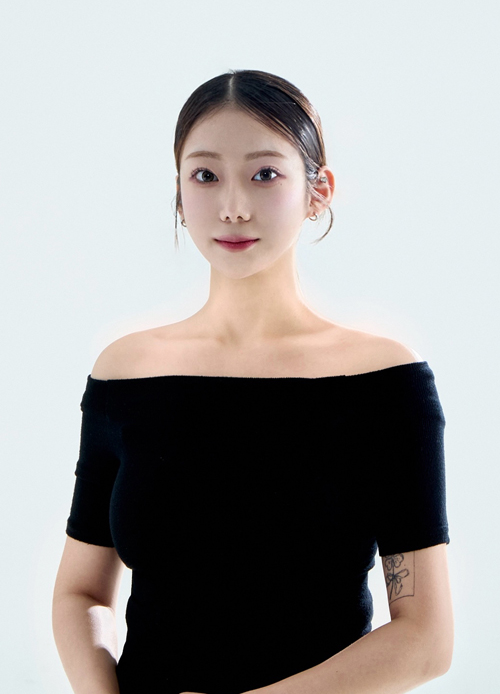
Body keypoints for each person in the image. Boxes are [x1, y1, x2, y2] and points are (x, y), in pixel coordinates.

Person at [52, 69, 454, 694]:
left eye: (265, 174)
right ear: (179, 192)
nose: (234, 206)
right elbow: (81, 592)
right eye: (205, 176)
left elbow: (425, 639)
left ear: (318, 190)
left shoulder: (383, 381)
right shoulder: (125, 373)